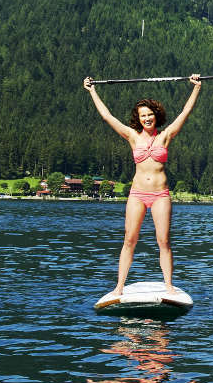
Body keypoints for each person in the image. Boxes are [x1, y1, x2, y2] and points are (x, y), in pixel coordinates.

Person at [83, 74, 202, 297]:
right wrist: (92, 91)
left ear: (156, 116)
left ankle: (168, 285)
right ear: (138, 119)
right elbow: (107, 116)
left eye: (150, 115)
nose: (147, 118)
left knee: (163, 240)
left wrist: (196, 87)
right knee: (129, 239)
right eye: (143, 116)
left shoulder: (166, 136)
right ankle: (119, 286)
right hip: (137, 194)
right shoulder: (132, 136)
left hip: (160, 195)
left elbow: (185, 113)